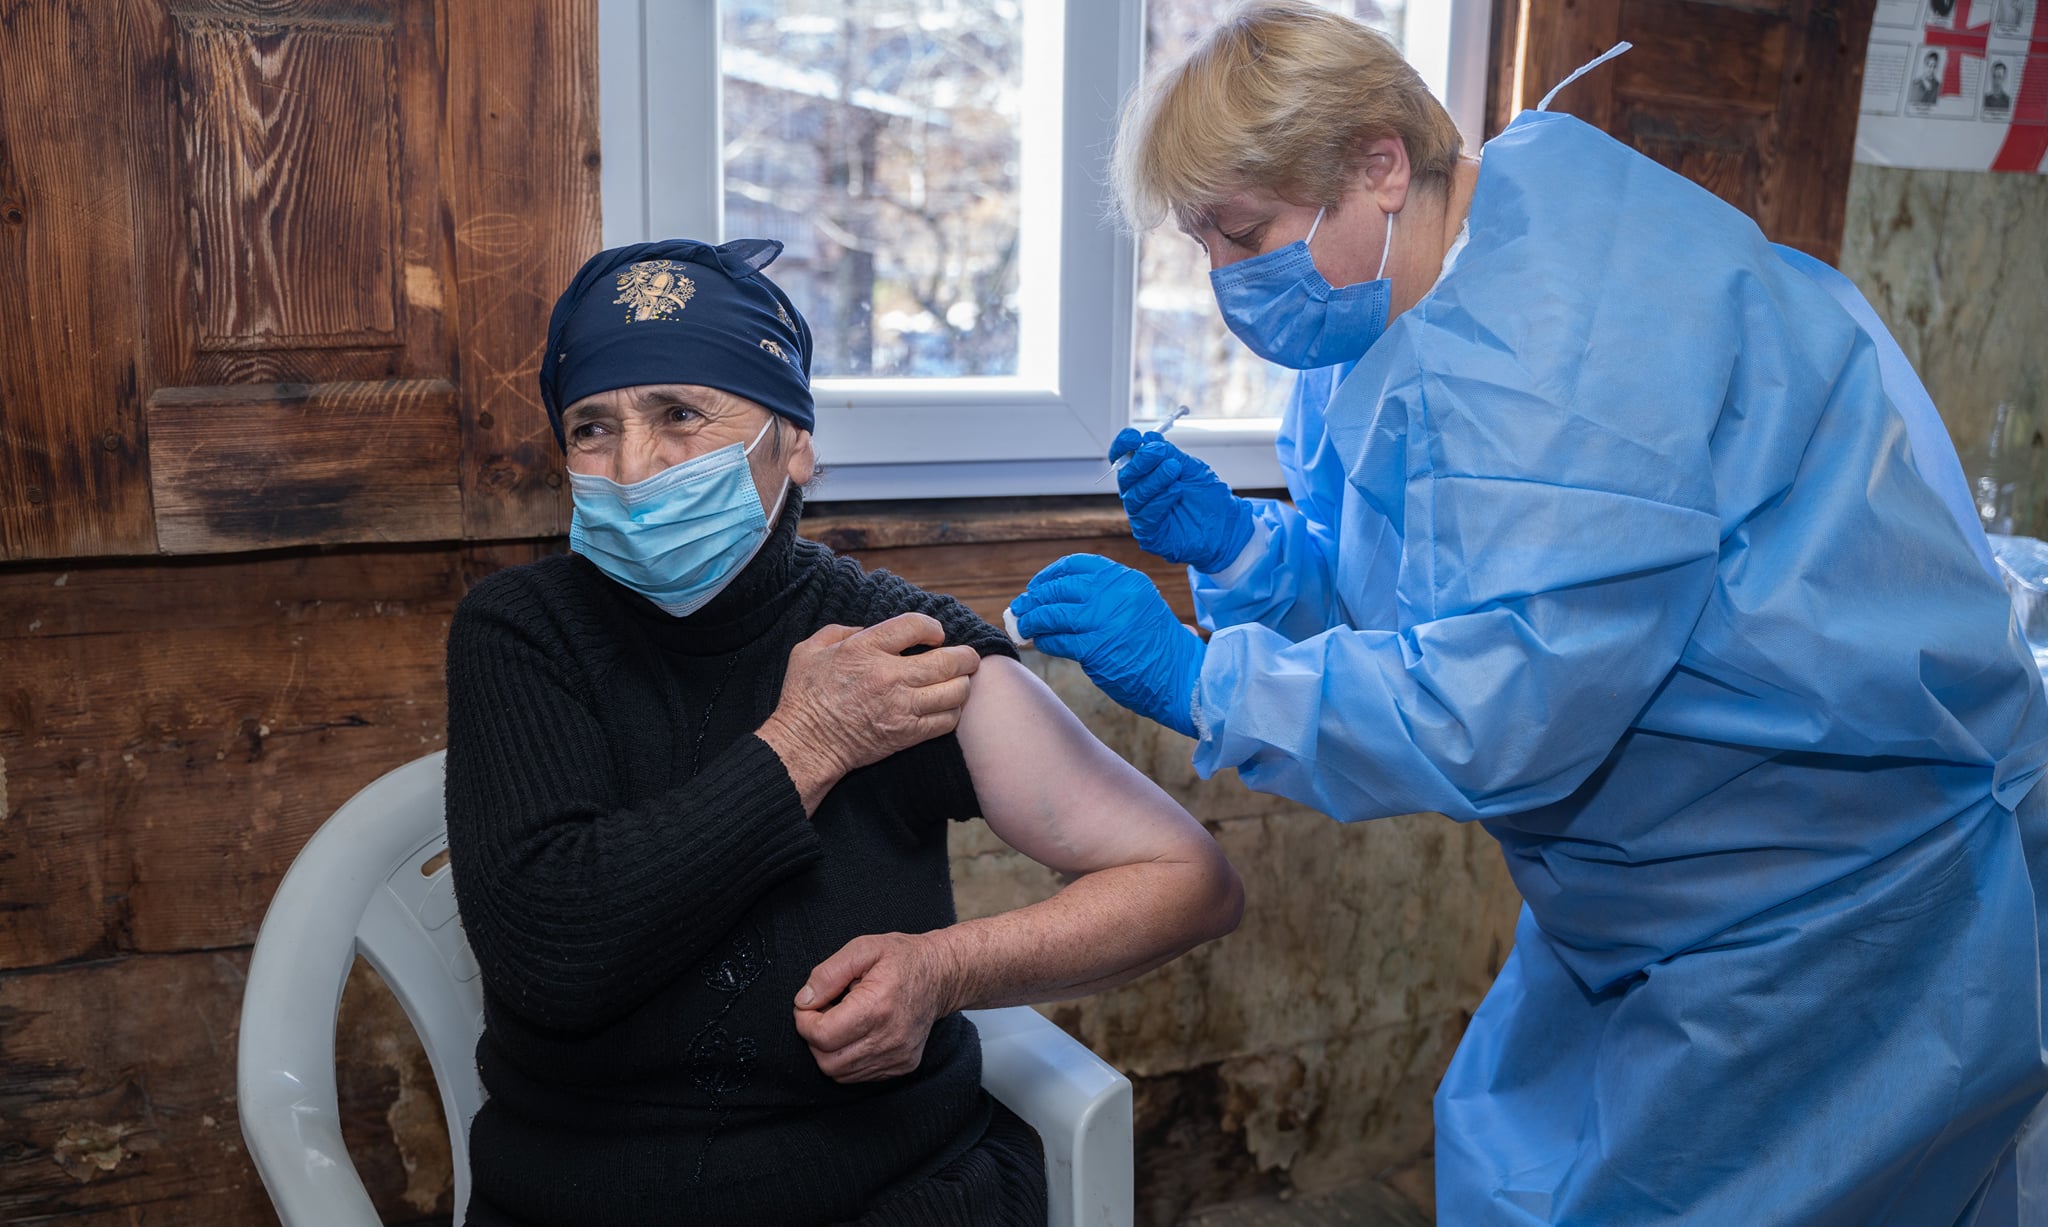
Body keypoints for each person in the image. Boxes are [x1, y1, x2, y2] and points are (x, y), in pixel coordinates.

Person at [1011, 4, 2048, 1223]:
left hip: (1828, 887)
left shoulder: (1567, 342)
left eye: (1240, 234)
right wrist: (1245, 549)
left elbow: (1493, 703)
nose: (1227, 281)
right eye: (1202, 245)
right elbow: (1421, 598)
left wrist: (1201, 683)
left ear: (1378, 164)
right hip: (1648, 873)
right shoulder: (1392, 313)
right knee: (1525, 1163)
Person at [445, 237, 1243, 1227]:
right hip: (581, 1201)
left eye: (680, 414)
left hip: (890, 1189)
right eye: (592, 427)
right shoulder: (522, 634)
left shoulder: (899, 644)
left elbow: (1185, 880)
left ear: (795, 441)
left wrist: (944, 970)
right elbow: (551, 958)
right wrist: (808, 742)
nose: (636, 465)